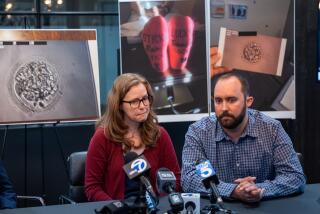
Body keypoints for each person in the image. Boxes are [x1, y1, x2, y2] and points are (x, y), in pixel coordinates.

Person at [181, 72, 305, 202]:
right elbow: (189, 178)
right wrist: (233, 191)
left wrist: (258, 190)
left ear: (248, 101)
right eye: (218, 101)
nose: (224, 108)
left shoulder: (271, 129)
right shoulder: (198, 132)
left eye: (231, 100)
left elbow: (294, 176)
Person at [85, 73, 181, 201]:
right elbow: (92, 188)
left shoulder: (160, 135)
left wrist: (159, 206)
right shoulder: (102, 137)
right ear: (119, 105)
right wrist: (117, 209)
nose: (142, 106)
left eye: (145, 99)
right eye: (135, 101)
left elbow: (175, 180)